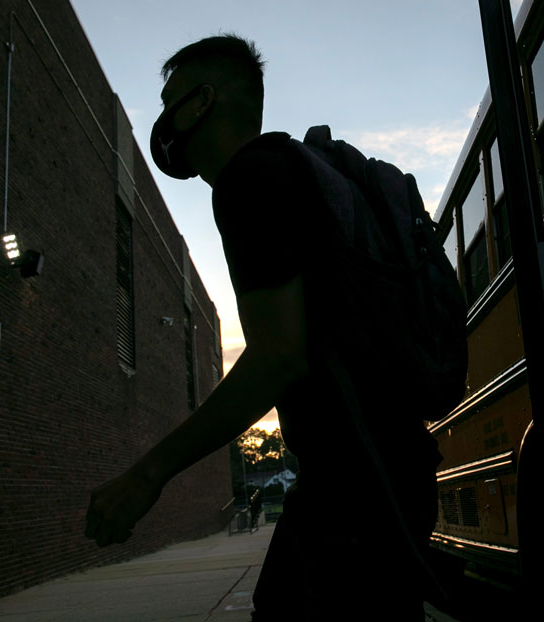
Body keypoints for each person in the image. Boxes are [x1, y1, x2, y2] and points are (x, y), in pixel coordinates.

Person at [84, 34, 441, 621]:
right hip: (387, 472)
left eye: (172, 100)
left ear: (203, 102)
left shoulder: (248, 180)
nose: (164, 120)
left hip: (353, 490)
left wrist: (149, 474)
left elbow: (278, 357)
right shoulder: (294, 173)